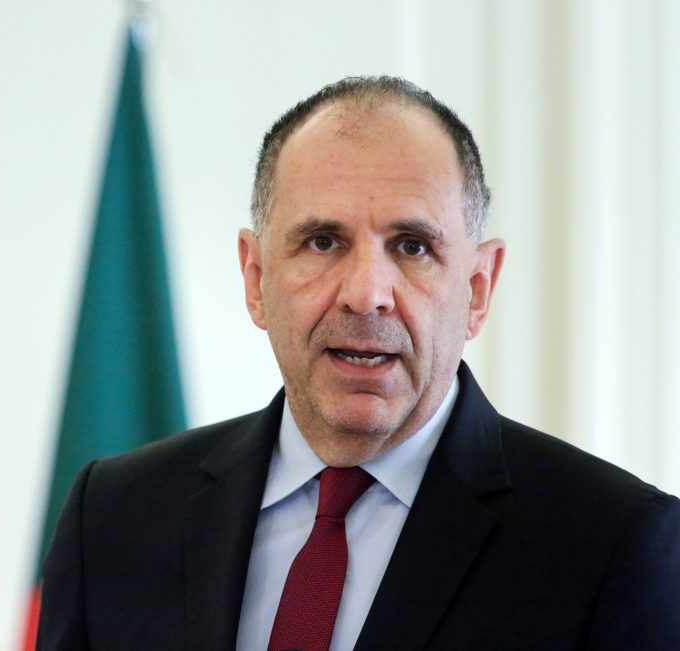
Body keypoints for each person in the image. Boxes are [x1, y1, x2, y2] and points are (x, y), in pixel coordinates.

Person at [37, 76, 680, 650]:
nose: (366, 293)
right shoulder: (113, 516)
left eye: (412, 246)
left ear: (478, 289)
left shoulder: (613, 545)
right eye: (323, 241)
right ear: (256, 277)